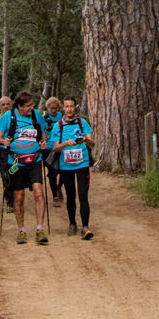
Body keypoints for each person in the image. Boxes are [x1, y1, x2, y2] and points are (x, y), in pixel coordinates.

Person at [0, 90, 50, 244]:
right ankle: (21, 230)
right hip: (16, 162)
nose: (31, 108)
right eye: (28, 106)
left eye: (32, 105)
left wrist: (43, 142)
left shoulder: (37, 116)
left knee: (39, 192)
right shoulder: (8, 117)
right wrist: (4, 142)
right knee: (19, 197)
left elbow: (43, 133)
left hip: (35, 160)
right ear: (19, 106)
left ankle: (40, 229)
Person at [52, 97, 94, 240]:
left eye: (71, 106)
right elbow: (55, 148)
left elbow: (93, 143)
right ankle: (72, 223)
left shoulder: (82, 123)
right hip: (66, 165)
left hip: (82, 164)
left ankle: (85, 226)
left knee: (83, 194)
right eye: (67, 106)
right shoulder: (58, 125)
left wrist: (85, 140)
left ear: (75, 107)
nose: (69, 109)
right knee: (70, 195)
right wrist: (65, 144)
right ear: (63, 108)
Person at [41, 96, 65, 197]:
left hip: (60, 147)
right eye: (52, 108)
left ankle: (59, 187)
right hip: (48, 149)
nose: (54, 110)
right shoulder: (43, 118)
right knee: (53, 172)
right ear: (47, 107)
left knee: (63, 171)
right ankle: (55, 195)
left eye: (56, 108)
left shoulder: (62, 116)